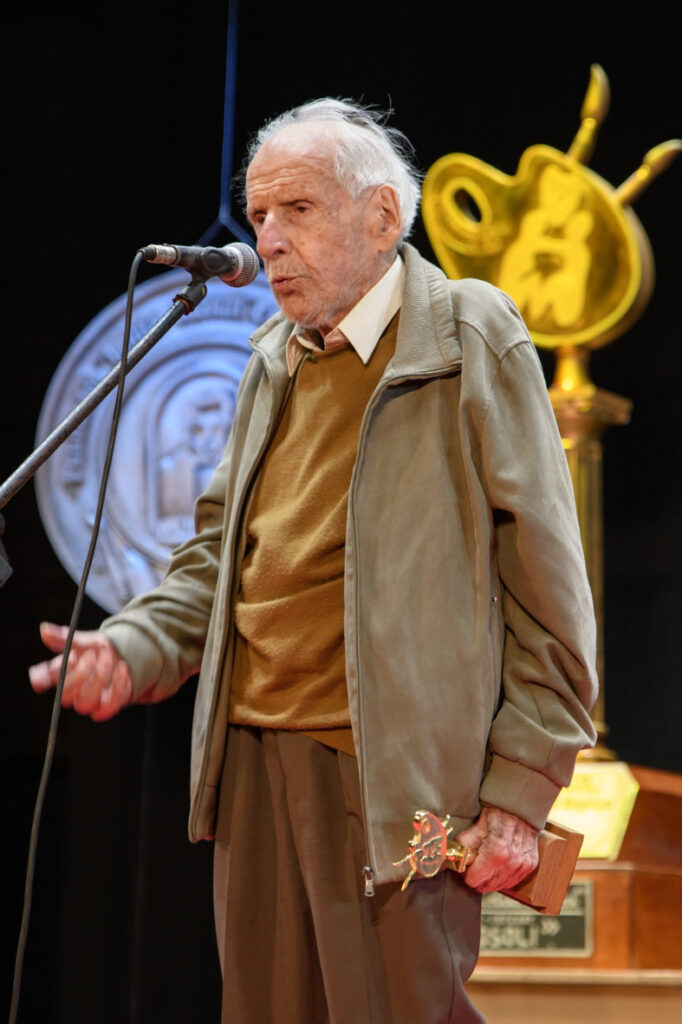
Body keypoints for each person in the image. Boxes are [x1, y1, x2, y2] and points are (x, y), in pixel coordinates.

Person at [29, 98, 598, 1023]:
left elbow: (548, 589)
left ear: (383, 216)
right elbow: (216, 558)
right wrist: (129, 649)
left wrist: (521, 789)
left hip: (392, 780)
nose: (270, 240)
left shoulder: (466, 335)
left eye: (297, 210)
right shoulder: (271, 360)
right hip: (252, 765)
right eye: (258, 216)